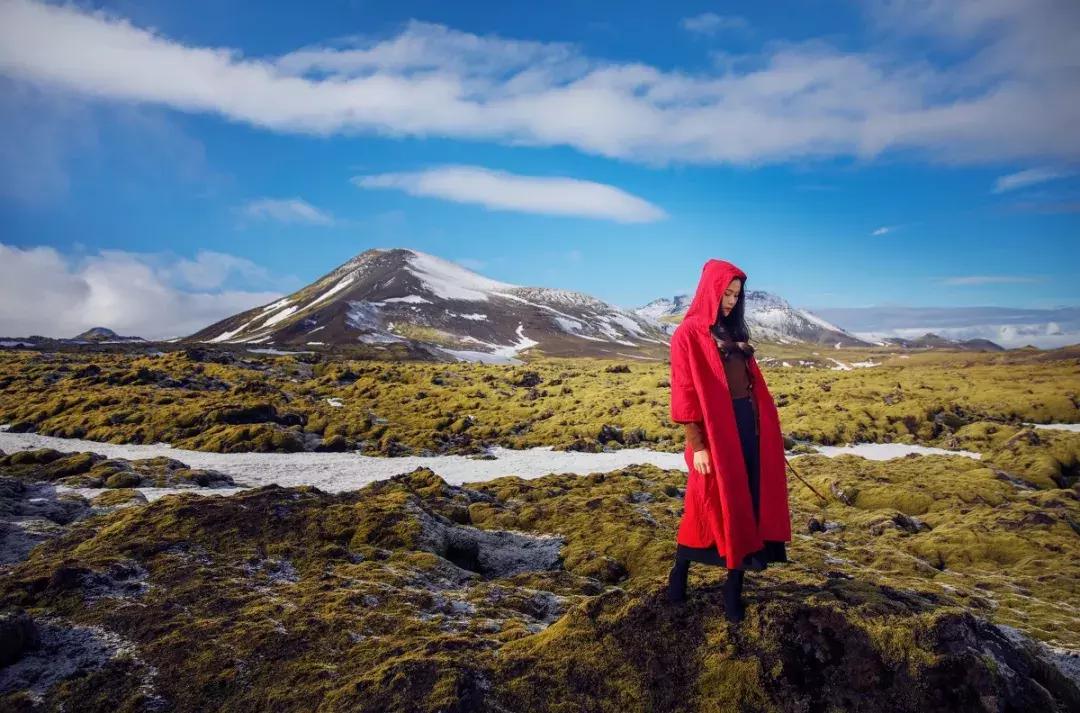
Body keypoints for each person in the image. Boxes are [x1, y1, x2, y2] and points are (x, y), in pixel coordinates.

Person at [665, 258, 792, 623]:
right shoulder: (687, 334)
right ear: (711, 289)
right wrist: (698, 444)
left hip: (746, 428)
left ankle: (733, 590)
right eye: (727, 293)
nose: (732, 300)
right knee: (704, 503)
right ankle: (679, 576)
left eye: (737, 294)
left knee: (746, 502)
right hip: (714, 433)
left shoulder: (733, 332)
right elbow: (685, 391)